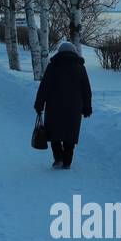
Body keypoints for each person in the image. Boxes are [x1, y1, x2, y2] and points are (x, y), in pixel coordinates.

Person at [33, 41, 92, 169]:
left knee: (54, 132)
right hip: (74, 107)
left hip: (54, 106)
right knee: (70, 134)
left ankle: (58, 158)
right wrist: (87, 106)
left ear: (60, 52)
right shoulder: (80, 67)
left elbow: (44, 87)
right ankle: (67, 162)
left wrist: (39, 104)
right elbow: (86, 89)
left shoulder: (53, 66)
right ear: (73, 52)